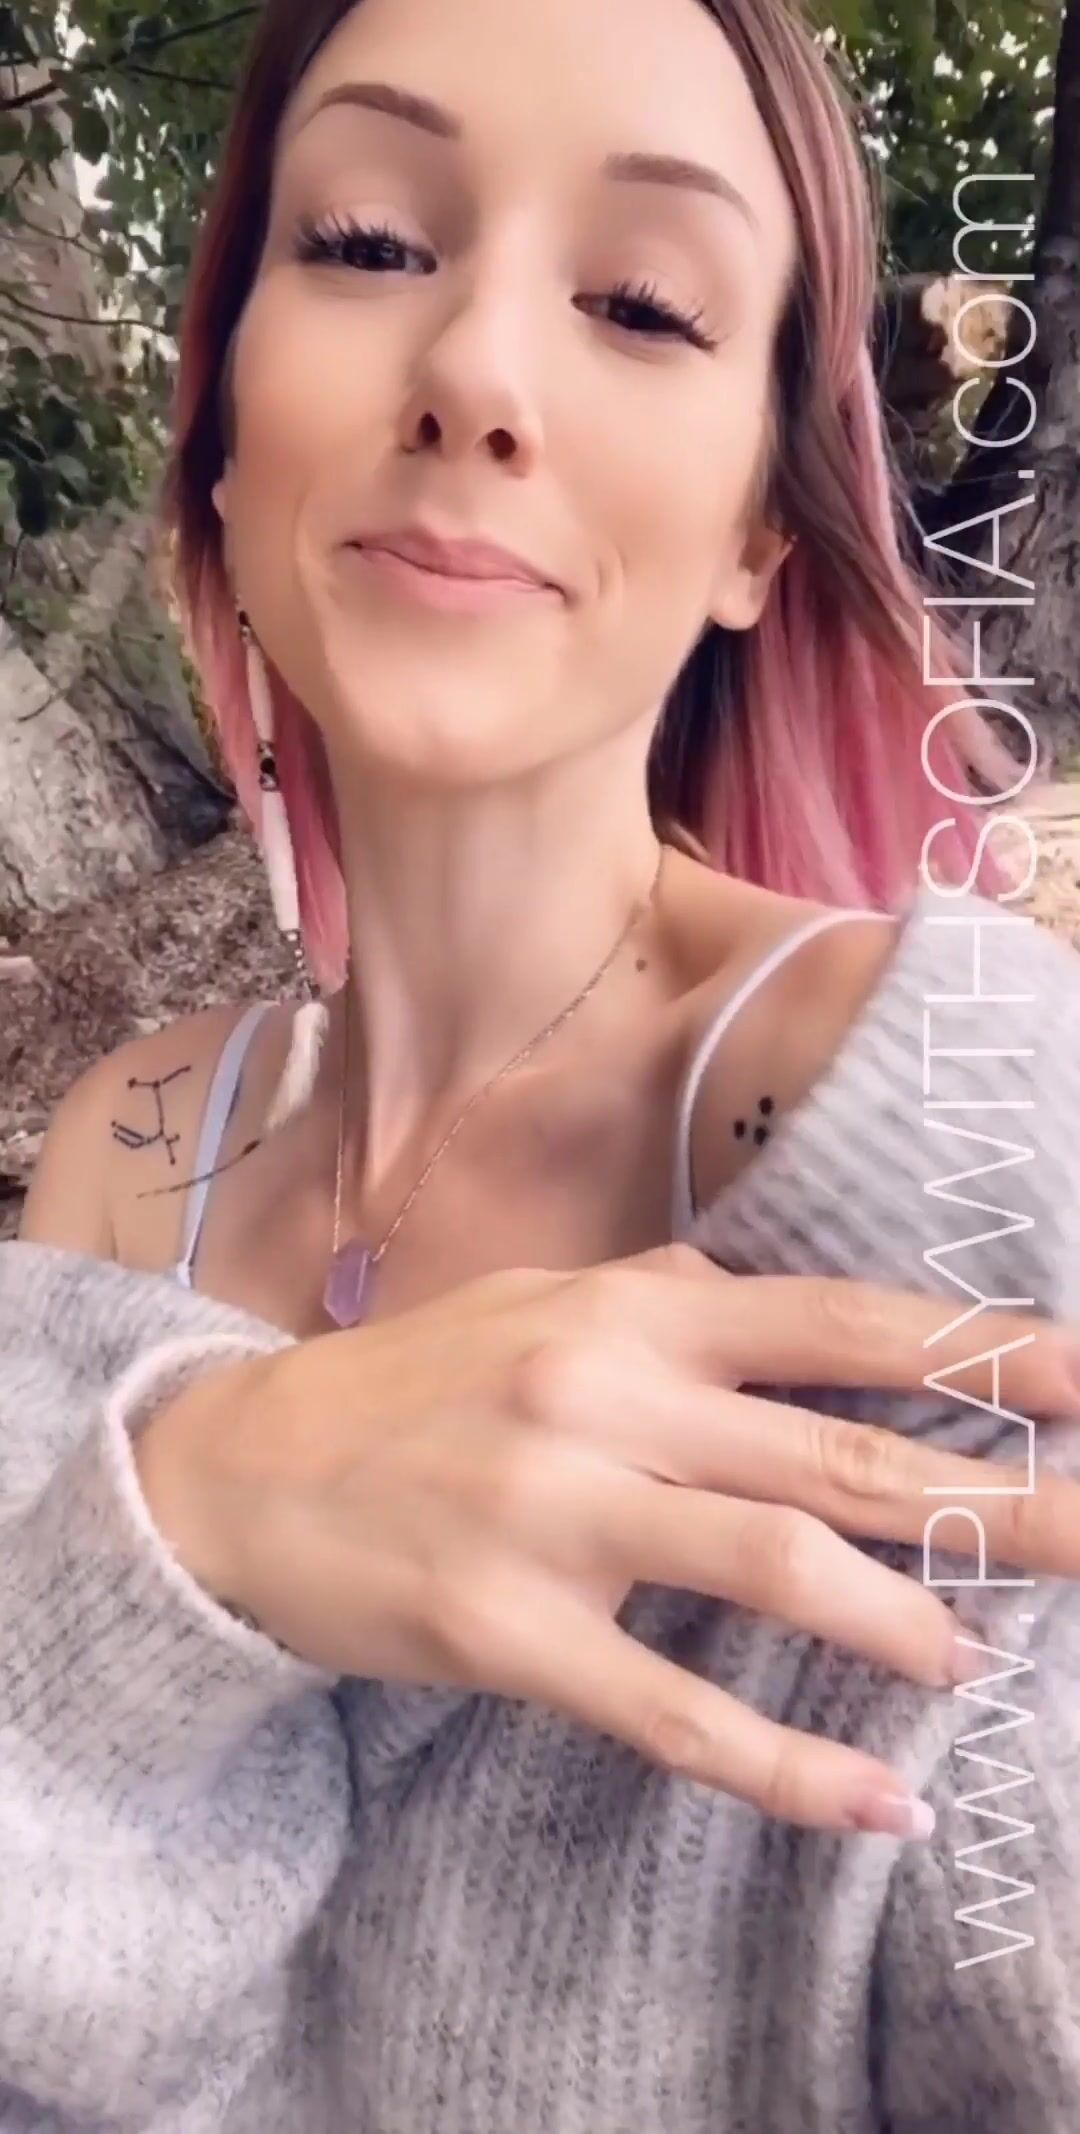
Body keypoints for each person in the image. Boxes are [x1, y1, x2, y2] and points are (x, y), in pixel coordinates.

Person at [4, 0, 1080, 2126]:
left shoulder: (964, 1096)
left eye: (643, 303)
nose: (481, 373)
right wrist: (189, 1520)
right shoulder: (125, 1150)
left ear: (764, 530)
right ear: (221, 424)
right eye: (369, 243)